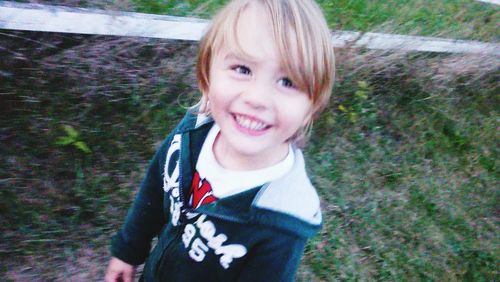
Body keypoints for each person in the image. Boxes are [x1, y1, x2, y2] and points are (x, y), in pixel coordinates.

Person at [105, 0, 335, 281]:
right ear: (207, 75)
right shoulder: (192, 132)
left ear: (310, 108)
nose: (257, 98)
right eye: (242, 69)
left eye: (288, 82)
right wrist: (129, 250)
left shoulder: (282, 222)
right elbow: (155, 188)